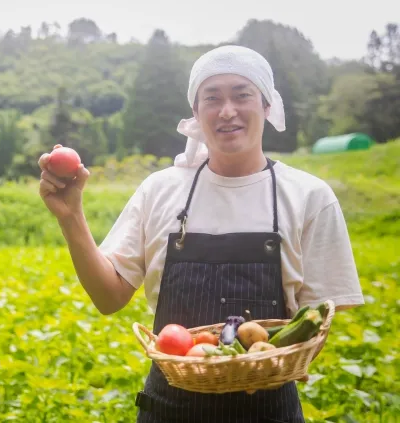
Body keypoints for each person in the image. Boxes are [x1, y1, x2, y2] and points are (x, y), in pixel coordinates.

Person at [37, 45, 364, 422]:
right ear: (196, 112)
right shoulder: (160, 190)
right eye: (212, 98)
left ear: (267, 105)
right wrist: (71, 217)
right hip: (169, 409)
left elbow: (314, 320)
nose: (227, 111)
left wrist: (269, 363)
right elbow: (109, 297)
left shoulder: (308, 196)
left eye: (242, 95)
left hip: (268, 409)